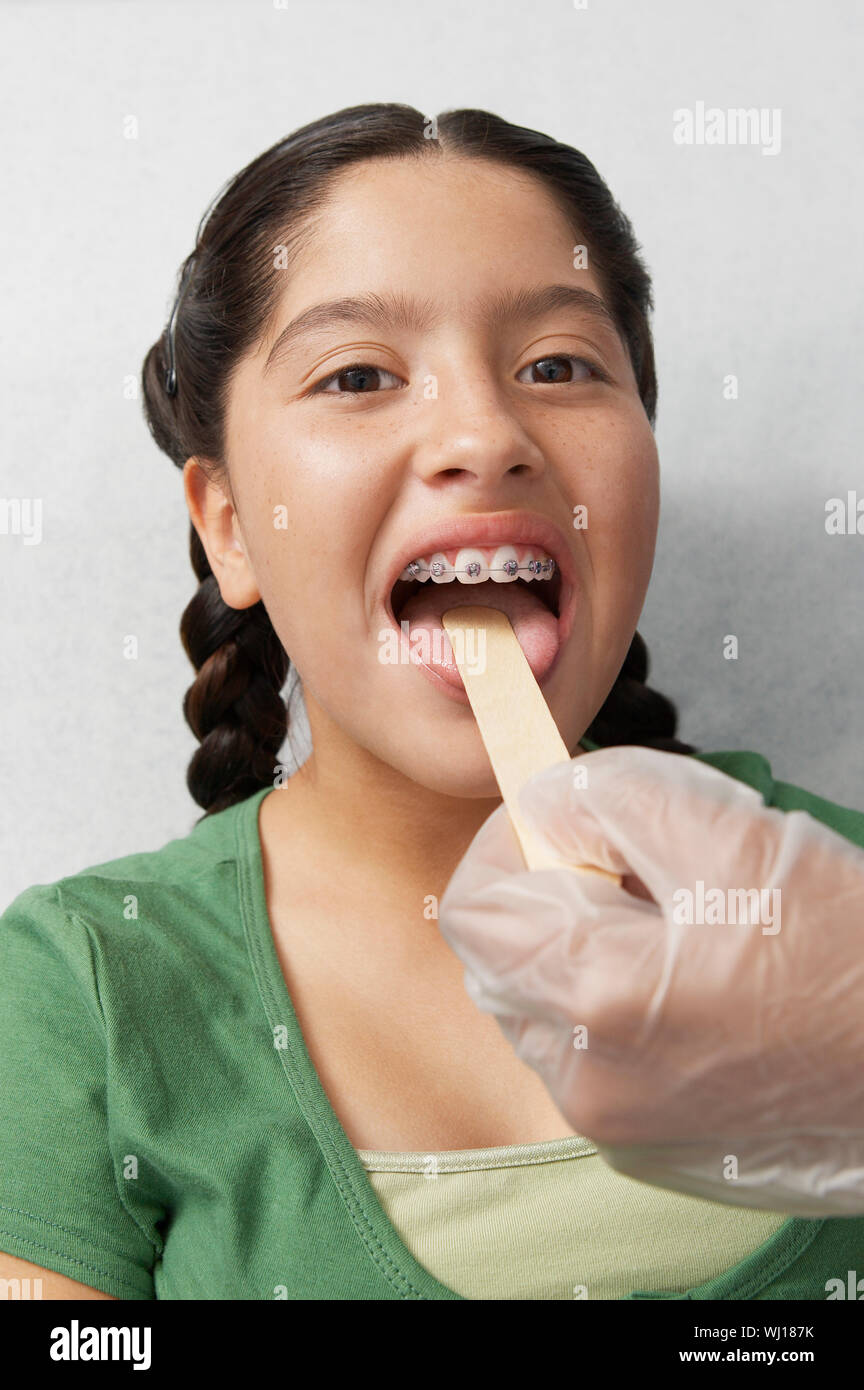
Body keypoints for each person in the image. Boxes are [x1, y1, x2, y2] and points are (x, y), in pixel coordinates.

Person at [1, 103, 861, 1302]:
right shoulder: (79, 992)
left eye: (557, 365)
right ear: (232, 525)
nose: (485, 434)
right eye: (357, 374)